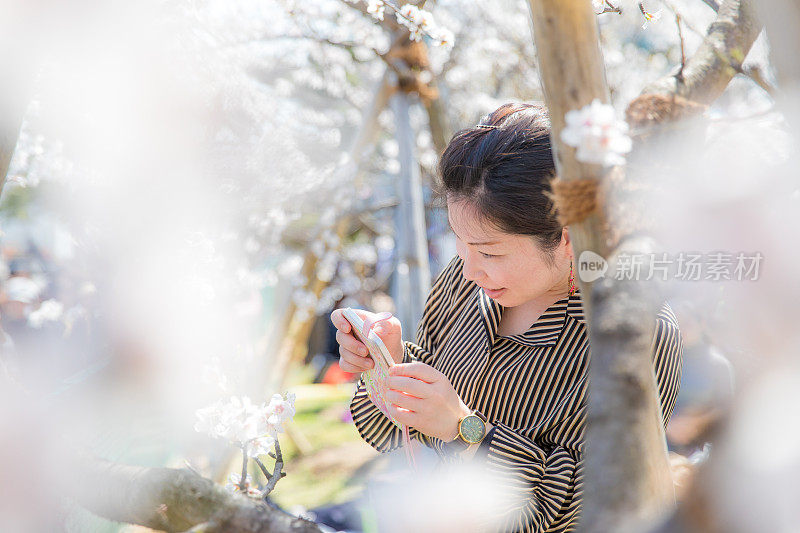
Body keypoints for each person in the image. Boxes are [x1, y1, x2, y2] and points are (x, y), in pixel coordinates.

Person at [330, 102, 683, 532]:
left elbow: (588, 505)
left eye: (490, 252)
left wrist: (464, 431)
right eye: (460, 242)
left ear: (567, 239)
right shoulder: (465, 285)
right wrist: (388, 365)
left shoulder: (633, 331)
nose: (469, 268)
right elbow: (391, 435)